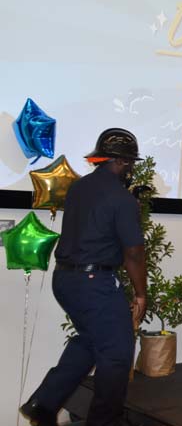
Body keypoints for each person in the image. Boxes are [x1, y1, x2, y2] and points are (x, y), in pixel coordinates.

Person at [20, 128, 147, 426]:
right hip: (94, 283)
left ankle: (43, 403)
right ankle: (105, 421)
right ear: (122, 162)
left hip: (65, 281)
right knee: (117, 352)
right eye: (130, 163)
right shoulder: (122, 198)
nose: (131, 169)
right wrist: (141, 294)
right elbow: (134, 254)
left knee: (90, 341)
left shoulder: (79, 188)